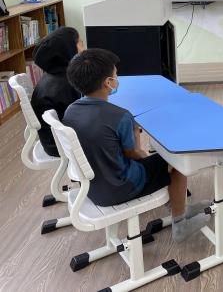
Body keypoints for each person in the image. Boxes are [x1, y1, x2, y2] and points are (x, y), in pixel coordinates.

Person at [63, 49, 209, 242]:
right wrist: (141, 147)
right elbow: (132, 153)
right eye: (116, 75)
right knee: (176, 161)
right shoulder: (120, 116)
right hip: (119, 188)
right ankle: (180, 222)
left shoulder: (70, 110)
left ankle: (179, 206)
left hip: (91, 187)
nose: (117, 79)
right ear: (108, 83)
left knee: (157, 163)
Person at [30, 27, 83, 157]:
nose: (84, 46)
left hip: (52, 140)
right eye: (80, 43)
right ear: (69, 50)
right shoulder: (67, 85)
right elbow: (82, 118)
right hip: (60, 145)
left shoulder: (55, 75)